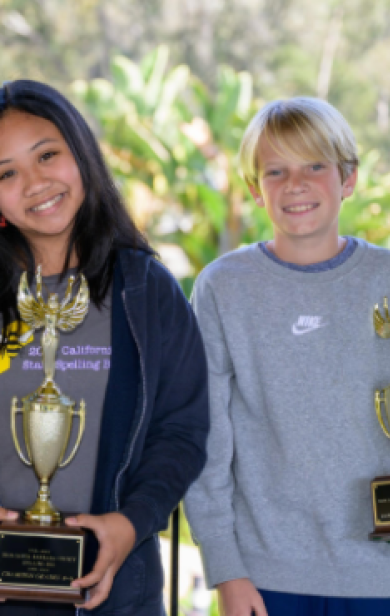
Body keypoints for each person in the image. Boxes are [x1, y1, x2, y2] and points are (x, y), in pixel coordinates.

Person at [183, 97, 390, 616]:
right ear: (256, 190)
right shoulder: (222, 288)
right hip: (263, 578)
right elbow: (205, 439)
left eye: (314, 167)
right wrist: (226, 570)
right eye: (275, 171)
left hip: (381, 575)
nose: (294, 185)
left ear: (347, 179)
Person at [0, 79, 210, 615]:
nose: (35, 182)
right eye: (6, 173)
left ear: (82, 155)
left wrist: (132, 520)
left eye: (47, 155)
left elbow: (182, 429)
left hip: (116, 591)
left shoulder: (145, 289)